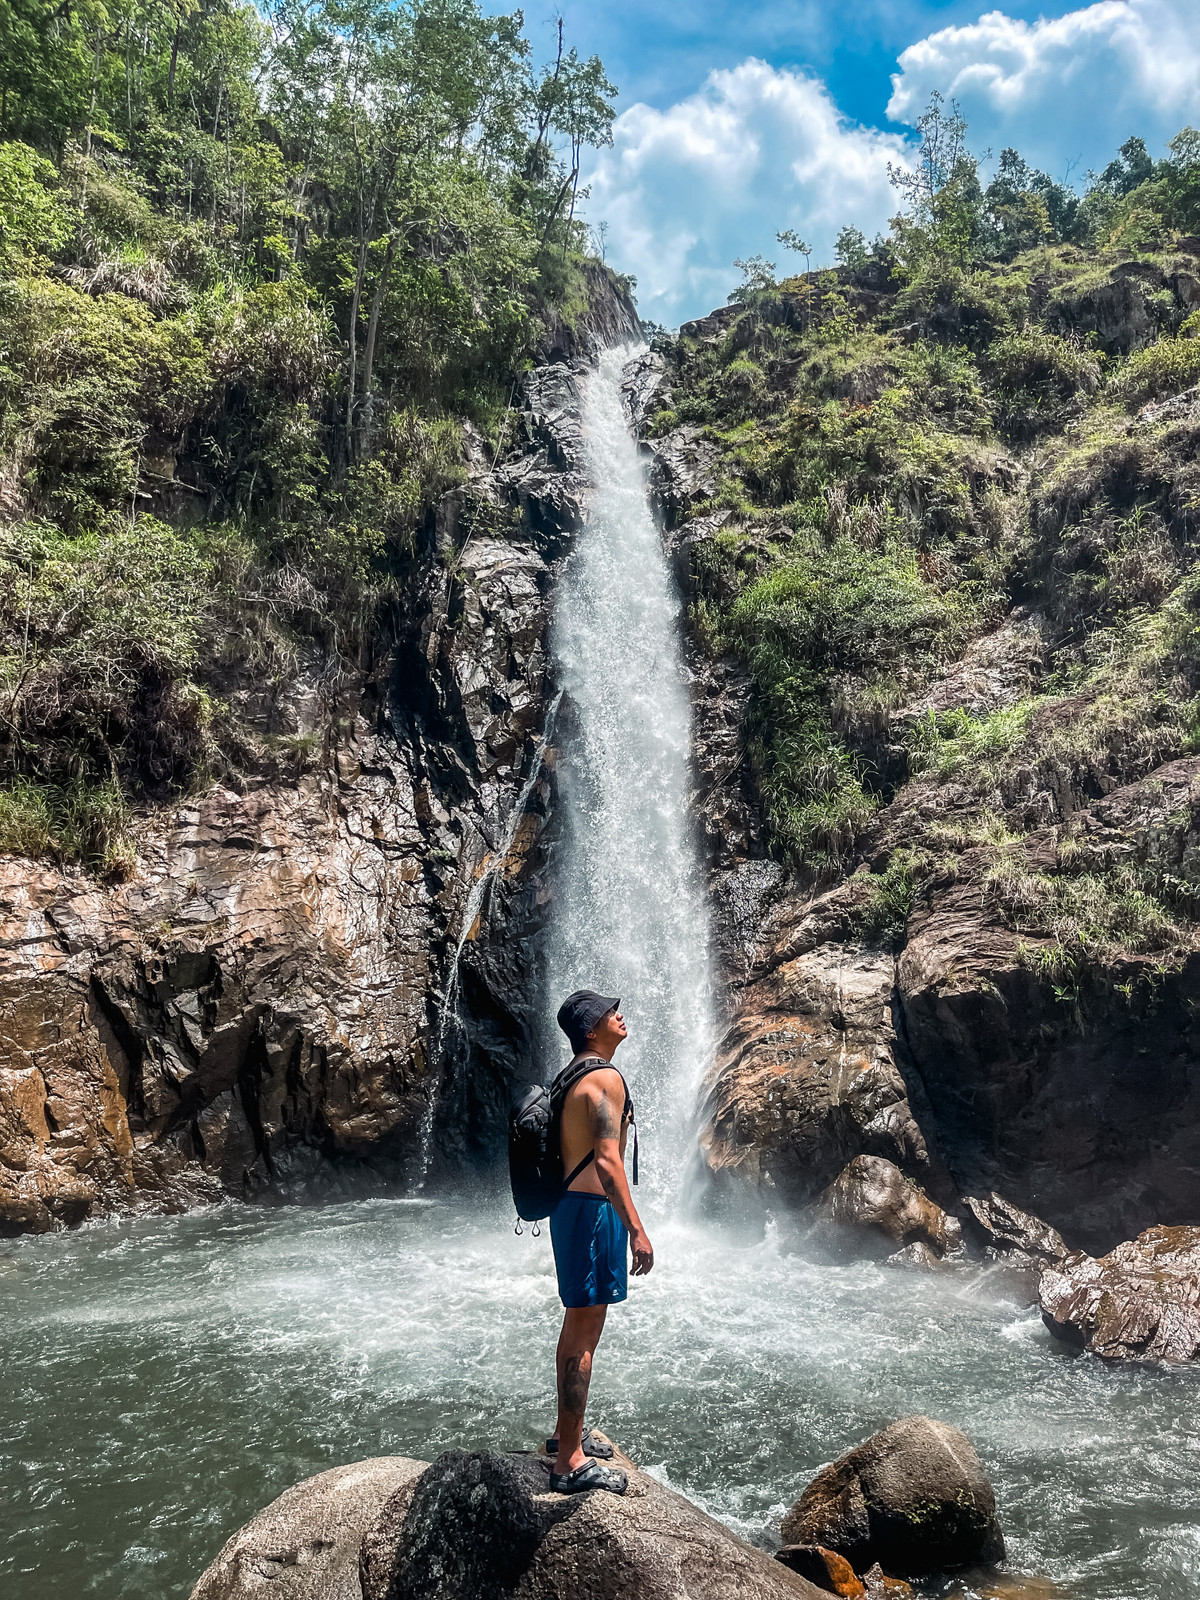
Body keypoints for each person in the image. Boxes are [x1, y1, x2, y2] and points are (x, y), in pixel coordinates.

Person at [545, 989, 653, 1496]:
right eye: (612, 1012)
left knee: (576, 1327)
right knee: (585, 1331)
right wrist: (637, 1230)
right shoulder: (605, 1078)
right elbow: (608, 1163)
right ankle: (569, 1460)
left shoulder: (571, 1076)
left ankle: (565, 1434)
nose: (620, 1015)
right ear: (592, 1029)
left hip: (570, 1209)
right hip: (592, 1214)